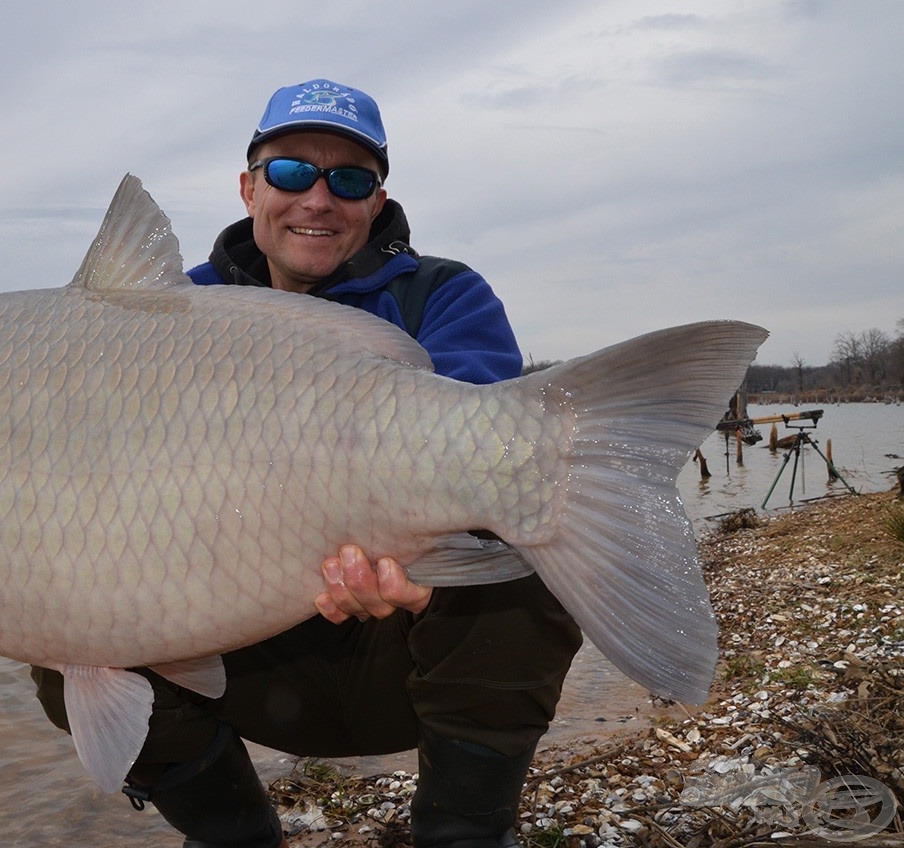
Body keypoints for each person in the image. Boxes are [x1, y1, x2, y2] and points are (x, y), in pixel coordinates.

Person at [31, 79, 583, 848]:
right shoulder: (169, 315)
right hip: (244, 657)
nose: (318, 200)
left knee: (537, 568)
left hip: (406, 654)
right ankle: (234, 835)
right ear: (249, 185)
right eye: (292, 172)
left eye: (349, 179)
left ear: (376, 199)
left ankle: (464, 832)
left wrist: (413, 568)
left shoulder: (444, 297)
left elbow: (489, 472)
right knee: (62, 633)